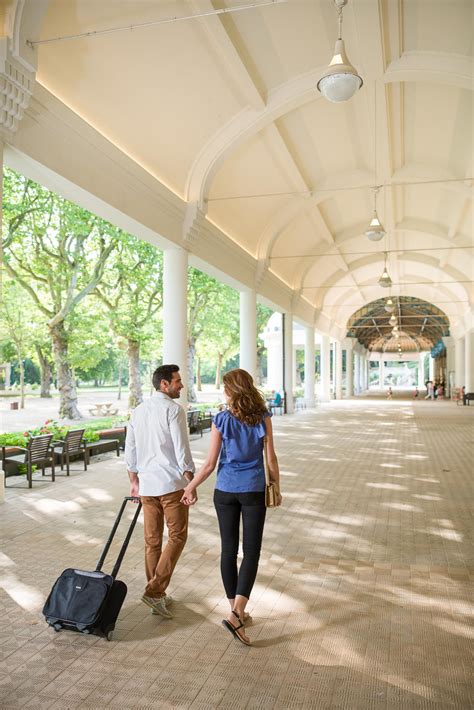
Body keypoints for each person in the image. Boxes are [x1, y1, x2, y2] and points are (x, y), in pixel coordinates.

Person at [181, 368, 281, 646]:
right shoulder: (262, 417)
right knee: (251, 551)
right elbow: (270, 458)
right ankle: (237, 612)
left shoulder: (221, 419)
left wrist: (190, 487)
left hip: (224, 490)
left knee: (228, 550)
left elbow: (210, 464)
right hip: (252, 490)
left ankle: (235, 611)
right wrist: (276, 486)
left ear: (231, 390)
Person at [125, 364, 195, 619]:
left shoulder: (138, 411)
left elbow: (130, 448)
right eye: (177, 381)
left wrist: (133, 480)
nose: (181, 385)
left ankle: (157, 595)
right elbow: (181, 449)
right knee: (177, 536)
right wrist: (191, 480)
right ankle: (155, 592)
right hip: (171, 485)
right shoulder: (174, 410)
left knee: (152, 541)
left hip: (146, 485)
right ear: (164, 384)